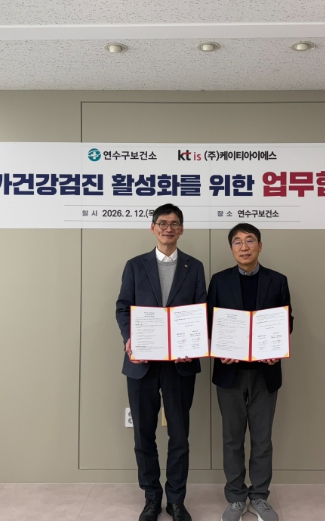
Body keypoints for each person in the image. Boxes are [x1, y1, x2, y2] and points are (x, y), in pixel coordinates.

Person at [116, 203, 207, 521]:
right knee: (143, 434)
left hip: (180, 364)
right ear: (152, 227)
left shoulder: (194, 267)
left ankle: (177, 500)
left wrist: (193, 344)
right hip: (142, 362)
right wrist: (130, 338)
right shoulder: (135, 265)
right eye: (163, 223)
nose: (169, 228)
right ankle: (152, 498)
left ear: (182, 229)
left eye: (175, 223)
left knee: (179, 435)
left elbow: (200, 310)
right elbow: (123, 307)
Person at [208, 223, 294, 521]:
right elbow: (209, 322)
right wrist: (218, 348)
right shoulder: (219, 281)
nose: (244, 247)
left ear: (260, 245)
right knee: (232, 438)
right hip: (229, 373)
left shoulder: (277, 280)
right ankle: (235, 496)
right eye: (237, 242)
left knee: (262, 439)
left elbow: (286, 320)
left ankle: (259, 496)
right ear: (231, 248)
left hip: (264, 373)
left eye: (249, 240)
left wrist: (276, 347)